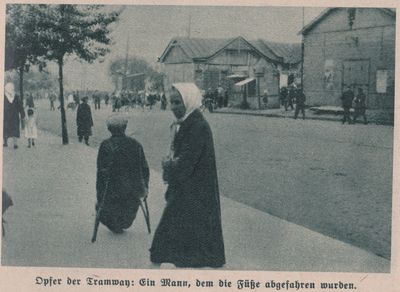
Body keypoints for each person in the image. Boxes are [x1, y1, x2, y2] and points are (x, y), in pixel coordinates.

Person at [150, 82, 225, 268]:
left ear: (189, 101)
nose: (173, 107)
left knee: (181, 222)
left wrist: (169, 165)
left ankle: (174, 258)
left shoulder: (197, 125)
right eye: (171, 102)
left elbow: (187, 160)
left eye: (177, 102)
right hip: (190, 184)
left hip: (195, 186)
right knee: (185, 223)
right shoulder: (188, 122)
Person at [96, 115, 150, 234]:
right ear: (125, 127)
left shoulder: (105, 145)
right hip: (132, 190)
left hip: (112, 190)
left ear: (109, 129)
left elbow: (101, 171)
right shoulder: (135, 144)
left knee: (106, 210)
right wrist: (145, 187)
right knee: (126, 214)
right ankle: (122, 222)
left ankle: (116, 223)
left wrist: (99, 194)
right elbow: (145, 168)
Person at [3, 82, 25, 149]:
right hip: (14, 115)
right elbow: (20, 107)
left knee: (5, 128)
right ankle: (15, 144)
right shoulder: (16, 96)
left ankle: (5, 142)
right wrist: (22, 114)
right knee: (14, 129)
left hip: (6, 115)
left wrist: (22, 114)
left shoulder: (3, 96)